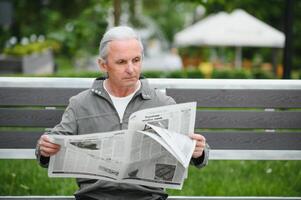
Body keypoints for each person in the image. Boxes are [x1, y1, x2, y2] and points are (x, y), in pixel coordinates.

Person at [36, 26, 209, 200]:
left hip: (148, 198)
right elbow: (52, 146)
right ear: (103, 65)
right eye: (121, 62)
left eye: (136, 60)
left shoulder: (163, 103)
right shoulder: (81, 104)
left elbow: (197, 154)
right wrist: (45, 149)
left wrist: (198, 151)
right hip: (95, 197)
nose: (131, 69)